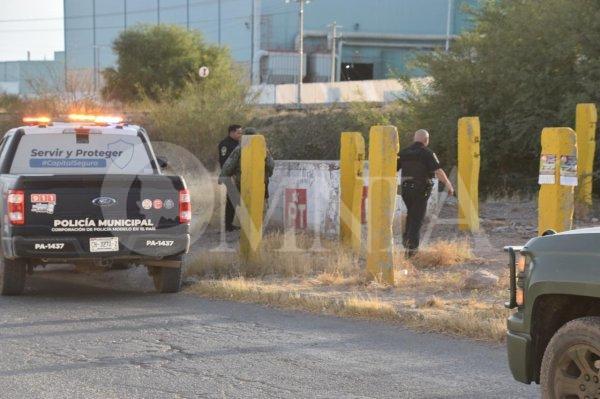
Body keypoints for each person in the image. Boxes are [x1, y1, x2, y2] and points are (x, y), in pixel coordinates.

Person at [397, 129, 454, 258]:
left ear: (414, 139)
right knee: (416, 219)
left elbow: (393, 167)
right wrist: (449, 185)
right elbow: (438, 171)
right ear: (426, 140)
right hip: (420, 191)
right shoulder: (427, 153)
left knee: (411, 216)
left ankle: (407, 244)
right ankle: (411, 253)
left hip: (406, 190)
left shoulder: (403, 153)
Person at [219, 127, 274, 204]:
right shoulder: (263, 149)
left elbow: (229, 164)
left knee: (243, 205)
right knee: (260, 206)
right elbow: (271, 164)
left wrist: (222, 177)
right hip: (260, 182)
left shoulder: (239, 148)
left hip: (243, 182)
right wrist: (270, 173)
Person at [218, 124, 243, 232]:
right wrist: (229, 176)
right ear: (231, 132)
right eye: (238, 132)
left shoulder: (238, 143)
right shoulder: (225, 144)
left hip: (238, 176)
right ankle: (228, 225)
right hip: (230, 176)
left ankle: (229, 224)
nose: (240, 134)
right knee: (232, 200)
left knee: (235, 200)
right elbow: (224, 162)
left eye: (241, 132)